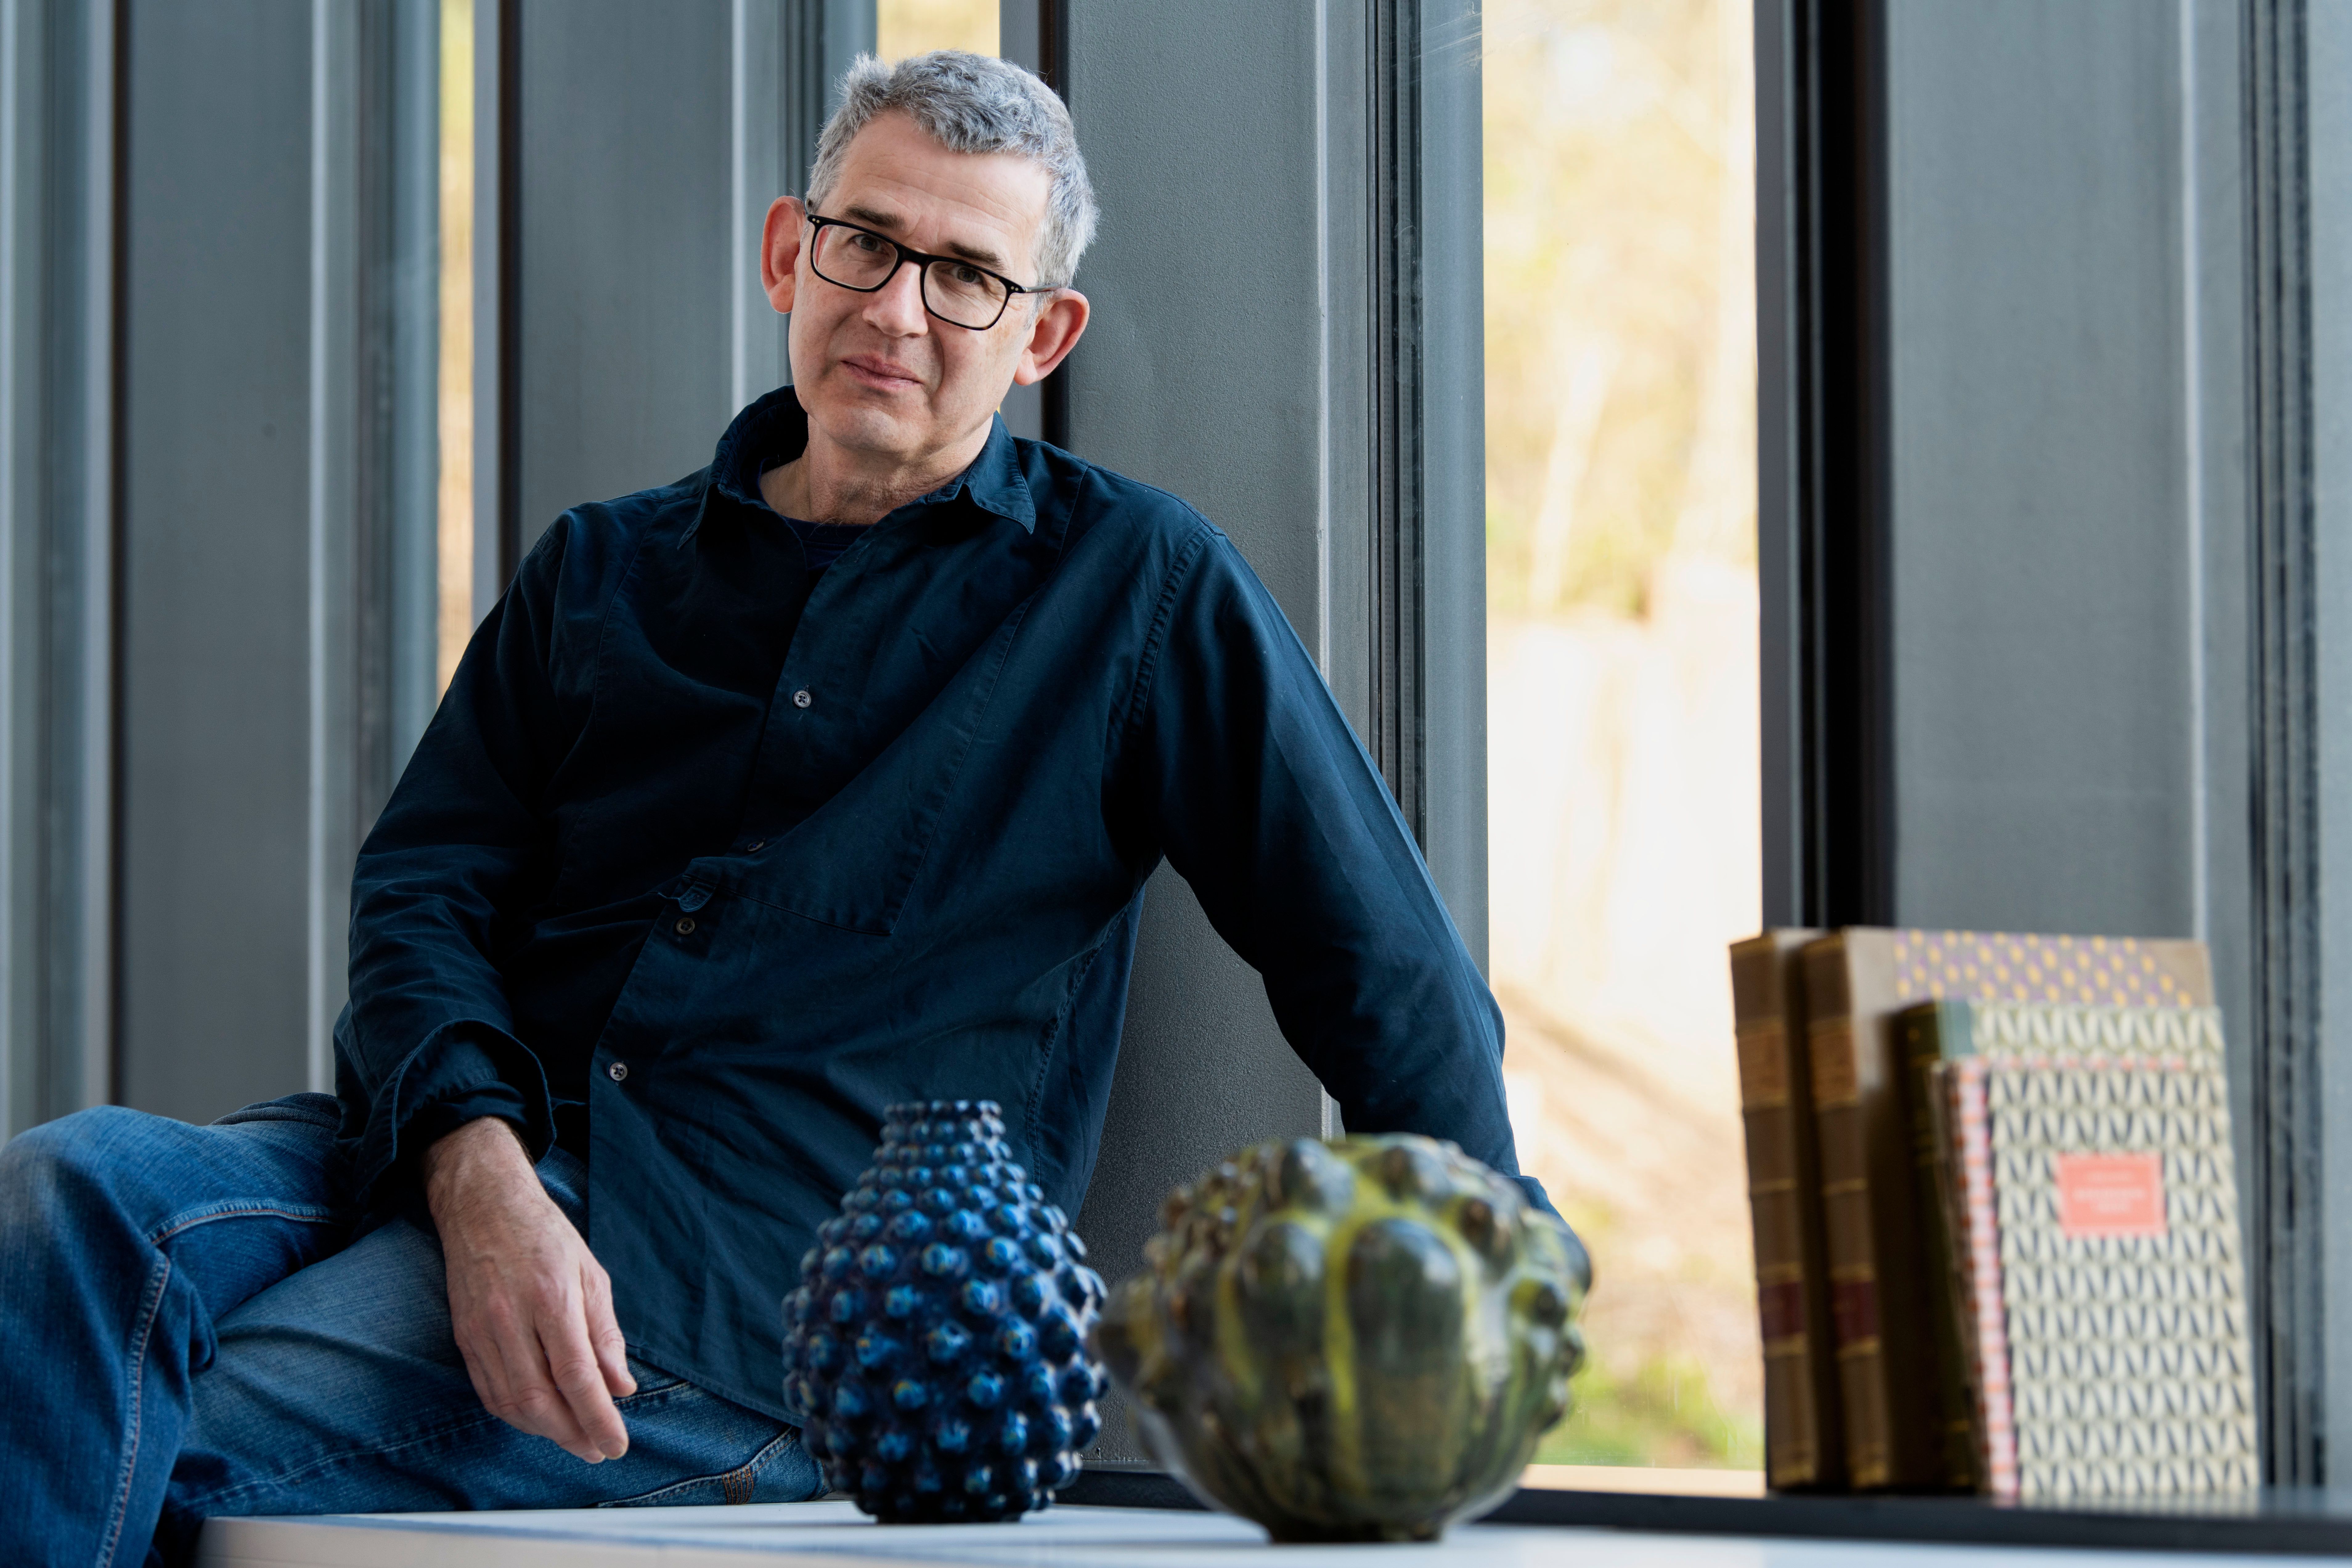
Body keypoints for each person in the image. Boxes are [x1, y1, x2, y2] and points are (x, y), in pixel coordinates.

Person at [0, 50, 1573, 1568]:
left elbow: (1374, 957)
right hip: (431, 1155)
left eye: (966, 274)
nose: (897, 306)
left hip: (747, 1303)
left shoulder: (1138, 593)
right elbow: (421, 894)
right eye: (866, 243)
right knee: (64, 1184)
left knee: (104, 1420)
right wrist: (477, 1167)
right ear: (788, 253)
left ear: (1043, 336)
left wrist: (1482, 1316)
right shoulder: (599, 572)